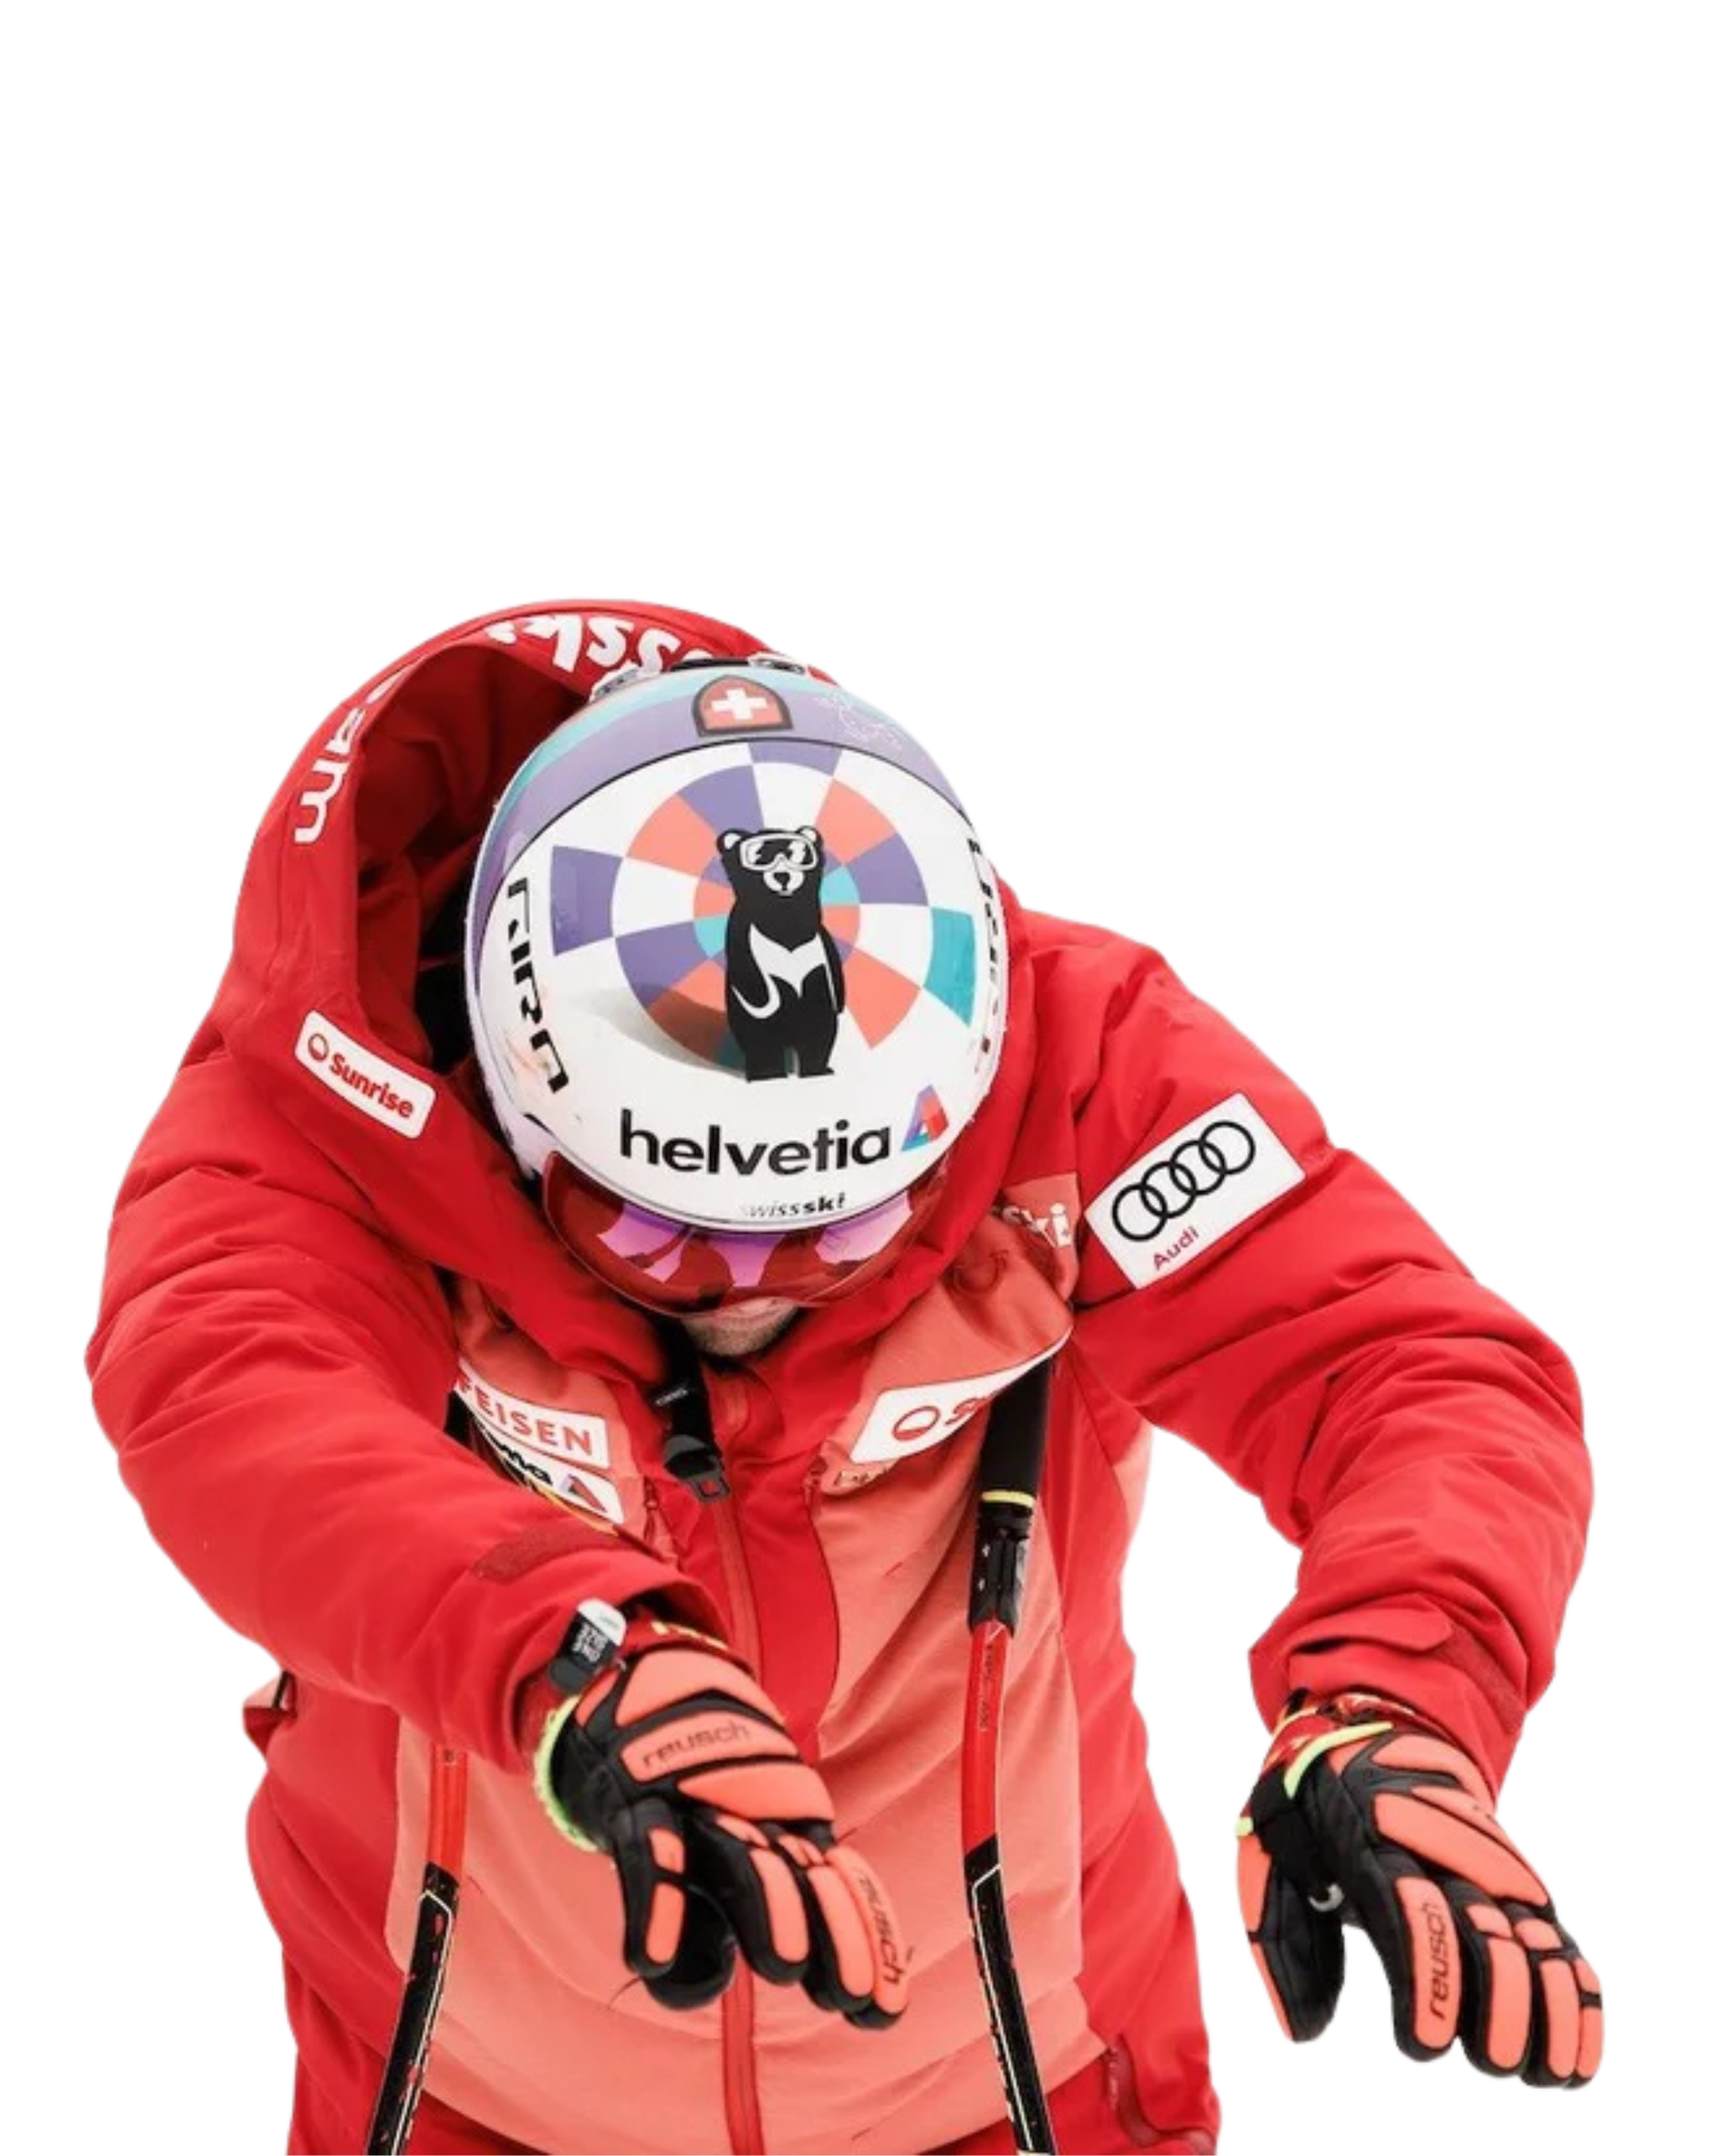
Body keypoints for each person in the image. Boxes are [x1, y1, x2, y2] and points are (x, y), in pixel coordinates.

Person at [84, 597, 1606, 2155]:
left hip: (1029, 2080)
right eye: (663, 1233)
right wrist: (563, 1651)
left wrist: (1395, 1693)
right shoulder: (328, 1109)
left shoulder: (1083, 1060)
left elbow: (1408, 1368)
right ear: (506, 1091)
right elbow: (232, 1400)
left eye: (846, 1231)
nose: (756, 1295)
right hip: (461, 2094)